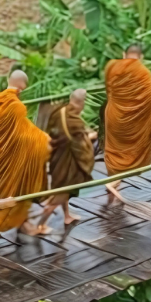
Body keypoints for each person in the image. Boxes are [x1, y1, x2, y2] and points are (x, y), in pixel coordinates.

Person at [0, 70, 50, 247]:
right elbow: (20, 135)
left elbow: (15, 130)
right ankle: (6, 226)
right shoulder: (16, 107)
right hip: (12, 156)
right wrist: (44, 140)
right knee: (14, 190)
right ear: (22, 85)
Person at [101, 44, 151, 204]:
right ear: (141, 57)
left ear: (124, 54)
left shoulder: (112, 66)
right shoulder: (144, 73)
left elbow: (108, 90)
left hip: (115, 116)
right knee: (135, 151)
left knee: (115, 150)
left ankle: (113, 182)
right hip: (137, 122)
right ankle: (113, 183)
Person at [36, 89, 96, 232]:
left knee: (63, 191)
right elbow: (82, 145)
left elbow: (54, 134)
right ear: (81, 103)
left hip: (57, 159)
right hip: (68, 164)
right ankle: (40, 225)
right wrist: (92, 136)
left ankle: (67, 216)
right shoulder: (75, 122)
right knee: (59, 196)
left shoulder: (59, 112)